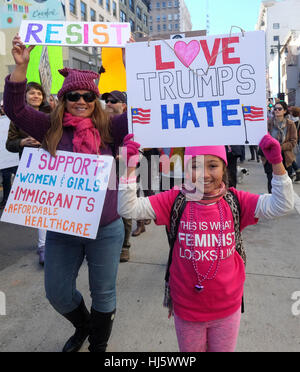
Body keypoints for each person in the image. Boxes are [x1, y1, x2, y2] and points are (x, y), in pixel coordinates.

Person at [4, 35, 128, 352]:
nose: (82, 100)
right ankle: (83, 325)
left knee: (103, 292)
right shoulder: (49, 127)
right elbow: (16, 109)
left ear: (95, 96)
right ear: (64, 95)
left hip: (105, 228)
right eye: (74, 94)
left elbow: (145, 110)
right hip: (63, 228)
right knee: (57, 292)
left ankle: (98, 344)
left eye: (88, 95)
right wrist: (21, 66)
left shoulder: (111, 128)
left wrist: (134, 64)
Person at [118, 134, 294, 352]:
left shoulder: (237, 200)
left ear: (224, 168)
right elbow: (128, 209)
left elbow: (283, 205)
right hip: (187, 307)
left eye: (212, 165)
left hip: (227, 307)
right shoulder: (173, 199)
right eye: (195, 166)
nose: (203, 174)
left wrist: (277, 164)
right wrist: (128, 169)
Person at [6, 81, 50, 266]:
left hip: (53, 163)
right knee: (41, 207)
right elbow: (9, 144)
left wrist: (45, 141)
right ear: (25, 96)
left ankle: (61, 243)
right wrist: (23, 142)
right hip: (31, 166)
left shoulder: (52, 115)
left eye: (39, 93)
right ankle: (43, 246)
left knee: (58, 204)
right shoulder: (17, 118)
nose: (36, 96)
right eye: (32, 93)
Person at [101, 90, 132, 262]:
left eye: (114, 101)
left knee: (124, 208)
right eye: (107, 101)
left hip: (126, 170)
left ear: (124, 105)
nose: (109, 103)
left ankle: (124, 247)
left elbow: (143, 145)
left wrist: (126, 154)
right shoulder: (100, 122)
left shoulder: (133, 122)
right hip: (104, 173)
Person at [259, 101, 300, 192]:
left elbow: (293, 141)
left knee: (285, 184)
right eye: (275, 109)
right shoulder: (269, 123)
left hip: (285, 158)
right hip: (270, 157)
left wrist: (278, 147)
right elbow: (262, 138)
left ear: (285, 111)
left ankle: (284, 204)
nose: (277, 110)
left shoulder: (290, 124)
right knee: (271, 182)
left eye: (280, 109)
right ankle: (271, 203)